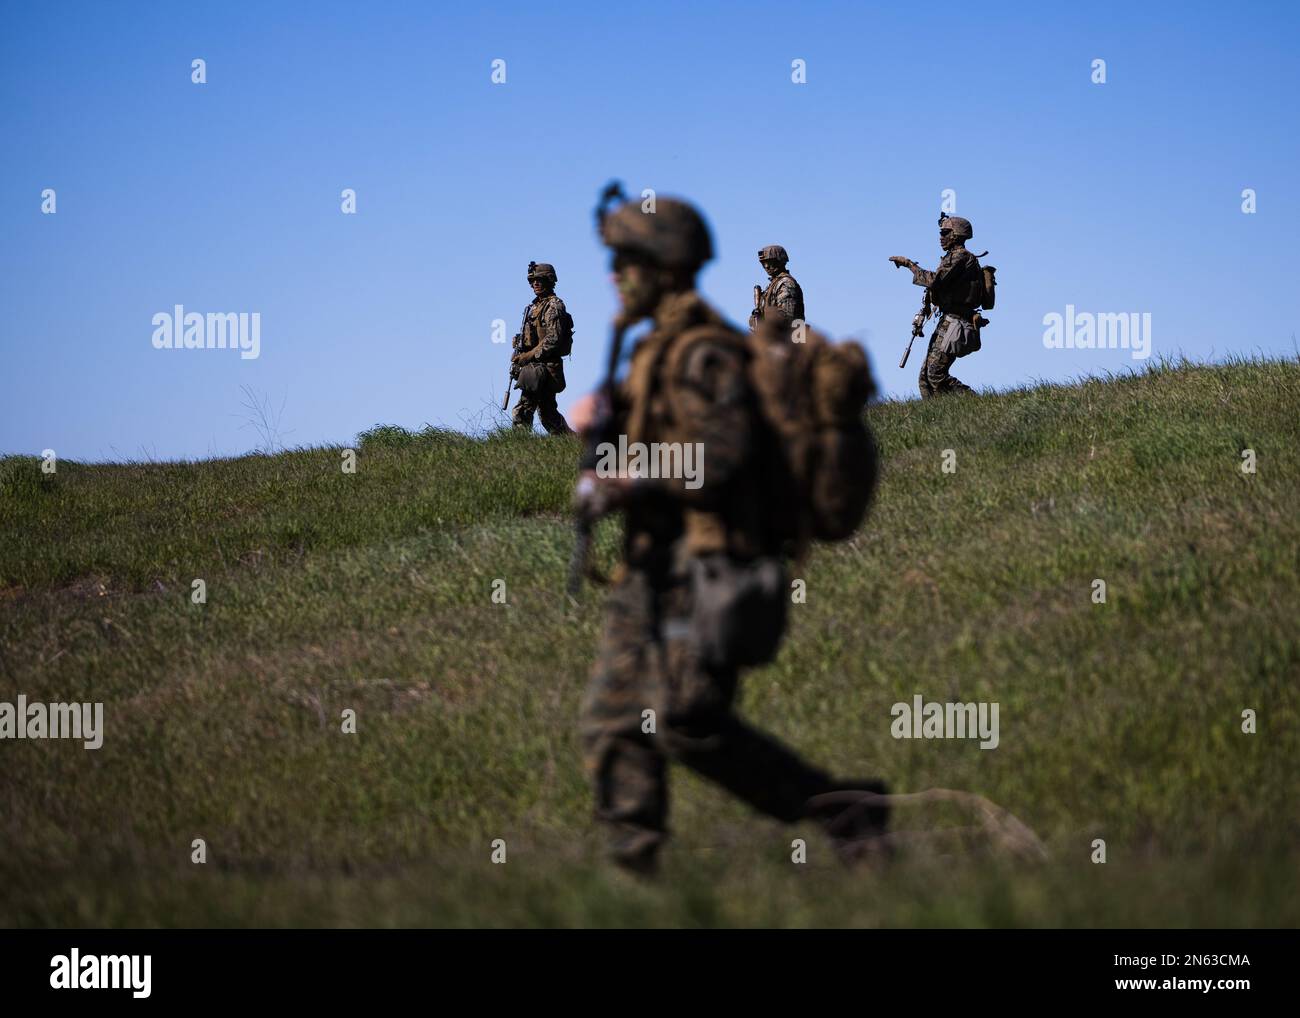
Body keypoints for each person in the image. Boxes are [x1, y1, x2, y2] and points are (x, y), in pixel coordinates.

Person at [570, 189, 889, 875]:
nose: (612, 278)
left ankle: (843, 808)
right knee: (614, 726)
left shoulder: (702, 351)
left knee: (687, 724)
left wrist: (629, 479)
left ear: (660, 267)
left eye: (624, 263)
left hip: (704, 569)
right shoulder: (657, 346)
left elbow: (723, 455)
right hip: (652, 570)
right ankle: (635, 880)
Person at [889, 215, 988, 398]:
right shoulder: (954, 257)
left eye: (945, 232)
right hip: (949, 320)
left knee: (935, 375)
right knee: (925, 378)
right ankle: (934, 418)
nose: (940, 237)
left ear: (956, 235)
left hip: (956, 321)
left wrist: (909, 264)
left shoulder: (960, 256)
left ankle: (975, 401)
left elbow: (935, 281)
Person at [510, 261, 574, 434]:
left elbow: (553, 339)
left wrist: (528, 356)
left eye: (540, 279)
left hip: (545, 368)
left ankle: (517, 445)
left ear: (550, 280)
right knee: (548, 415)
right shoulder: (533, 307)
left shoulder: (554, 306)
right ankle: (575, 443)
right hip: (535, 367)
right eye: (533, 281)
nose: (535, 284)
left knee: (523, 410)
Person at [749, 244, 805, 331]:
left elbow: (786, 317)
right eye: (763, 263)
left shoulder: (786, 283)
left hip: (791, 339)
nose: (766, 266)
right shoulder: (773, 285)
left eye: (769, 262)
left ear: (780, 261)